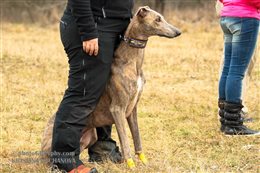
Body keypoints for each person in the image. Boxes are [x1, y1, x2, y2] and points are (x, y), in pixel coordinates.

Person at [51, 0, 133, 172]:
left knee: (106, 90)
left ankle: (102, 149)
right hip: (93, 26)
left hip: (115, 26)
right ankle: (63, 160)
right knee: (84, 91)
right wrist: (88, 31)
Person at [217, 0, 260, 135]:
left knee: (228, 68)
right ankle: (233, 125)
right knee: (237, 71)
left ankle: (226, 121)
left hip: (227, 17)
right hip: (245, 18)